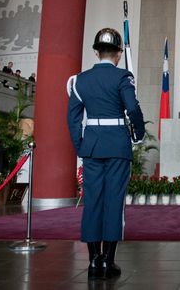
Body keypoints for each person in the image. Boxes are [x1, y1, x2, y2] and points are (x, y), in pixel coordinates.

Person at [67, 28, 145, 279]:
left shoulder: (79, 80)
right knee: (113, 202)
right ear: (119, 53)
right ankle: (108, 262)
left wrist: (81, 146)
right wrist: (138, 134)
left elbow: (73, 119)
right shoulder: (123, 77)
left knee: (93, 202)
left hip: (92, 146)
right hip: (117, 146)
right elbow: (132, 108)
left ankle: (92, 261)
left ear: (95, 51)